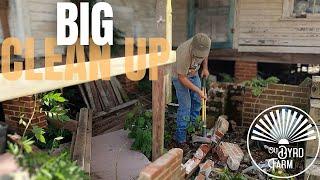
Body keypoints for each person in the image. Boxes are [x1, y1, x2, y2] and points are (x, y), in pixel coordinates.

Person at [172, 33, 211, 146]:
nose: (199, 58)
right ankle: (180, 139)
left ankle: (192, 130)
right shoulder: (183, 53)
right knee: (186, 106)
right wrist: (198, 90)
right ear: (193, 48)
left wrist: (205, 68)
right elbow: (182, 78)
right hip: (179, 76)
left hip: (194, 73)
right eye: (197, 56)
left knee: (198, 101)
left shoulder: (205, 43)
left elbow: (205, 54)